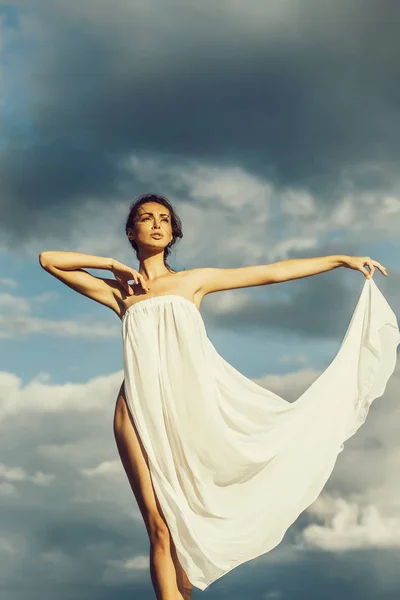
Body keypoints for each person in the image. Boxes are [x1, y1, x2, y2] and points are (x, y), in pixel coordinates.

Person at [39, 193, 396, 599]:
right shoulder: (120, 293)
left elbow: (272, 272)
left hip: (188, 407)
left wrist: (339, 260)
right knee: (158, 527)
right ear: (131, 231)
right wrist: (111, 265)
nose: (157, 224)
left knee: (182, 527)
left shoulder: (192, 281)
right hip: (136, 410)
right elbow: (48, 259)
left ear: (173, 232)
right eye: (146, 218)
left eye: (165, 219)